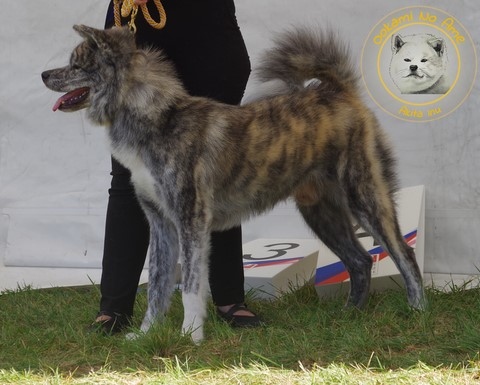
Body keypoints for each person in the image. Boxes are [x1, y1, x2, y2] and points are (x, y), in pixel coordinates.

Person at [91, 0, 261, 334]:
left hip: (207, 30)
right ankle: (114, 306)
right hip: (134, 24)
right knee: (129, 175)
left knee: (215, 171)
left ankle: (229, 297)